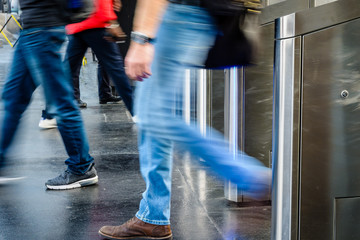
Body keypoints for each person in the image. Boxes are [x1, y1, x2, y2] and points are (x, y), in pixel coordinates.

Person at [98, 0, 271, 239]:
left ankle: (248, 176)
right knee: (154, 119)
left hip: (176, 15)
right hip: (190, 15)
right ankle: (153, 216)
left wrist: (141, 40)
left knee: (155, 116)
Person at [0, 0, 98, 190]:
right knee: (14, 97)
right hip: (31, 29)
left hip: (43, 28)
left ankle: (81, 166)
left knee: (60, 102)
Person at [65, 0, 134, 116]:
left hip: (77, 23)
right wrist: (111, 21)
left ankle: (49, 114)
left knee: (68, 70)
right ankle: (136, 112)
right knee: (116, 68)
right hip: (95, 22)